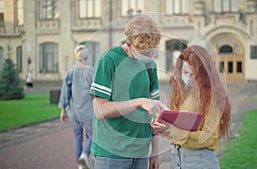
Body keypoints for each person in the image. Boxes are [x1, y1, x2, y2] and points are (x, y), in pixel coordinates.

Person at [90, 15, 166, 169]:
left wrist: (155, 152)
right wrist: (139, 101)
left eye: (152, 51)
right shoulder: (109, 60)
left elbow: (155, 116)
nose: (150, 56)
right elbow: (100, 110)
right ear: (129, 43)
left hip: (141, 153)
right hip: (111, 154)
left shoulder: (150, 65)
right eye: (145, 52)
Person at [152, 45, 231, 169]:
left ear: (204, 74)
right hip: (178, 158)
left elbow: (209, 138)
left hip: (199, 161)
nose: (187, 78)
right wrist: (163, 126)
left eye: (192, 74)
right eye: (185, 72)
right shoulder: (184, 92)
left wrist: (172, 131)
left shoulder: (212, 97)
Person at [58, 45, 94, 169]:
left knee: (77, 136)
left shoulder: (70, 72)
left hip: (74, 111)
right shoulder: (91, 71)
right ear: (87, 56)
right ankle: (84, 155)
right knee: (92, 136)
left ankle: (80, 163)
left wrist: (63, 110)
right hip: (89, 111)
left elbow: (65, 92)